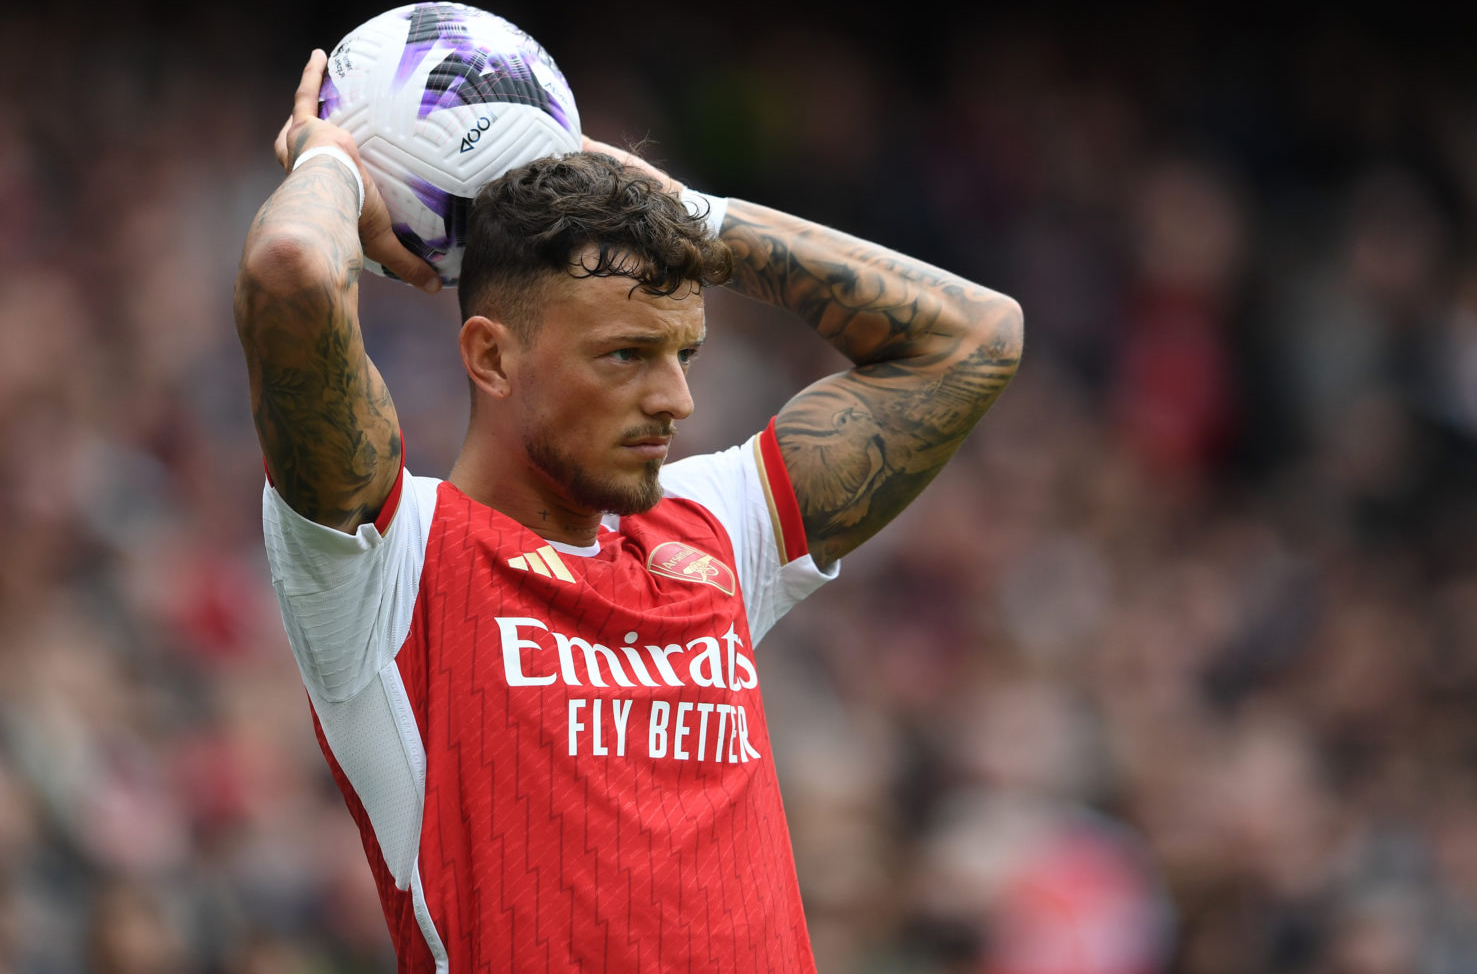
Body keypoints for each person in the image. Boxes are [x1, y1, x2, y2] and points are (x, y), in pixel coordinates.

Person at [234, 48, 1024, 972]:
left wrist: (697, 221)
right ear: (489, 358)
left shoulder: (710, 526)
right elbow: (292, 268)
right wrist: (329, 158)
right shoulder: (387, 566)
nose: (676, 400)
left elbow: (975, 338)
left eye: (683, 352)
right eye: (626, 356)